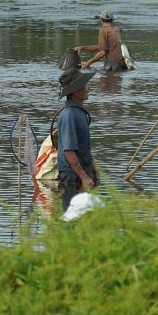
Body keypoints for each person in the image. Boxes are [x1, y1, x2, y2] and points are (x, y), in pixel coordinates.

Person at [56, 67, 97, 211]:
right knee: (72, 218)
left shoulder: (78, 112)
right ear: (77, 90)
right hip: (72, 178)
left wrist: (94, 172)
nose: (88, 88)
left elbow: (84, 148)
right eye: (85, 85)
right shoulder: (69, 115)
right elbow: (69, 151)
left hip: (82, 174)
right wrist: (84, 177)